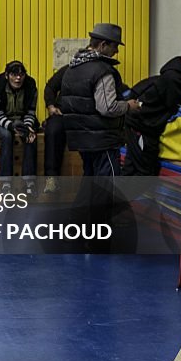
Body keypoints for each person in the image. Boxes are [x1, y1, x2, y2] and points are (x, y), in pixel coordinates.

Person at [60, 23, 140, 252]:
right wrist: (129, 106)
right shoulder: (102, 70)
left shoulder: (72, 68)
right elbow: (107, 107)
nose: (116, 52)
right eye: (115, 46)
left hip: (83, 138)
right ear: (103, 45)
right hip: (102, 139)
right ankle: (99, 240)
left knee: (89, 186)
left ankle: (73, 232)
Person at [124, 42, 181, 176]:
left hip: (149, 127)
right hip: (141, 127)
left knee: (136, 170)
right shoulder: (174, 78)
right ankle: (117, 196)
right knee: (144, 171)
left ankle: (117, 196)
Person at [0, 60, 39, 195]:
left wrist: (28, 127)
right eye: (14, 75)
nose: (18, 78)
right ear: (7, 76)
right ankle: (6, 182)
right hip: (0, 120)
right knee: (6, 135)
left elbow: (31, 111)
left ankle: (29, 182)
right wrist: (12, 127)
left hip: (22, 119)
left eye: (21, 75)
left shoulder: (30, 86)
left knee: (31, 136)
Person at [42, 64, 68, 193]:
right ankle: (51, 178)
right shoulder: (68, 69)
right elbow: (50, 87)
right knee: (52, 131)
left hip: (85, 116)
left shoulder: (101, 70)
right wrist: (51, 106)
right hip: (62, 113)